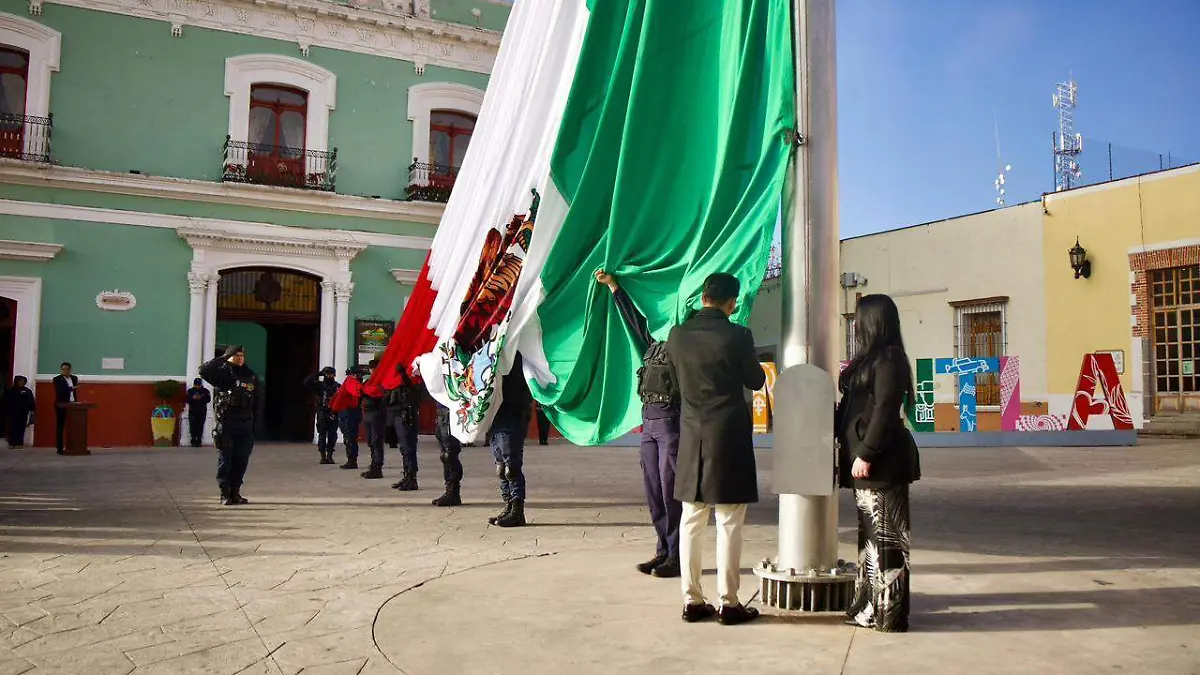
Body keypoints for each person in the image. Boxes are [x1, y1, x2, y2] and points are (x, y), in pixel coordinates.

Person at [666, 273, 765, 626]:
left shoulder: (677, 336)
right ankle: (729, 602)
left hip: (693, 436)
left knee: (692, 519)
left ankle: (692, 601)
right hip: (729, 438)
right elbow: (756, 380)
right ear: (731, 302)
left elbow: (676, 385)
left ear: (703, 296)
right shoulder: (738, 335)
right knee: (728, 521)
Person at [836, 294, 920, 633]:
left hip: (881, 463)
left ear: (873, 320)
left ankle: (888, 614)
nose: (855, 324)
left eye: (859, 318)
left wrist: (867, 453)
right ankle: (869, 606)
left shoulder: (889, 360)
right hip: (863, 462)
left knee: (886, 539)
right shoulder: (868, 360)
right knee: (871, 539)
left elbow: (885, 410)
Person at [596, 269, 682, 579]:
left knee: (671, 491)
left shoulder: (684, 346)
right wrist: (615, 288)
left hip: (672, 422)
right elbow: (634, 319)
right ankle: (662, 550)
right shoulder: (653, 344)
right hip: (650, 424)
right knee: (654, 490)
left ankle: (676, 555)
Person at [200, 345, 260, 506]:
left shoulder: (251, 376)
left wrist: (256, 424)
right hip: (227, 423)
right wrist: (223, 357)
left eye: (241, 355)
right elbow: (204, 370)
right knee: (226, 459)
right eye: (236, 355)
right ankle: (224, 493)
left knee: (241, 459)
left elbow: (257, 401)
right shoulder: (223, 374)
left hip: (245, 424)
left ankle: (236, 492)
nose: (239, 358)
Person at [487, 351, 533, 528]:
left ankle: (517, 510)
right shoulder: (494, 350)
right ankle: (508, 505)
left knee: (511, 466)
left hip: (513, 411)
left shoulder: (520, 353)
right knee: (500, 467)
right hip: (496, 414)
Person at [387, 366, 421, 491]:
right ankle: (407, 476)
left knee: (409, 449)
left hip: (408, 417)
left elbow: (412, 390)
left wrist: (404, 376)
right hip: (399, 416)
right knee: (404, 449)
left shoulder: (415, 381)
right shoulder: (399, 384)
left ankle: (412, 479)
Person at [430, 400, 465, 507]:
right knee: (445, 454)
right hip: (442, 410)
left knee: (450, 454)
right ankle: (449, 489)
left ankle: (453, 491)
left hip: (452, 410)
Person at [304, 366, 340, 464]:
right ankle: (323, 456)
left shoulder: (337, 386)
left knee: (332, 435)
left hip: (333, 412)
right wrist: (318, 374)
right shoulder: (319, 386)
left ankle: (330, 455)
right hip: (322, 412)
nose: (329, 376)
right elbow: (306, 382)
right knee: (322, 434)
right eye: (327, 374)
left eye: (331, 374)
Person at [331, 367, 364, 469]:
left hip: (350, 413)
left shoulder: (351, 382)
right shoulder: (352, 382)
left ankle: (352, 461)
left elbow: (341, 396)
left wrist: (334, 410)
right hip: (348, 412)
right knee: (349, 438)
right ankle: (351, 460)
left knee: (350, 438)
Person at [360, 360, 387, 480]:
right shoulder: (368, 381)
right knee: (371, 441)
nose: (372, 370)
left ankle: (377, 467)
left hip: (377, 414)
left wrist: (366, 393)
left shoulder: (382, 381)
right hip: (367, 414)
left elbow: (380, 395)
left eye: (374, 368)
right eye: (371, 368)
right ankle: (373, 465)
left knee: (376, 442)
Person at [52, 362, 78, 455]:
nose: (65, 371)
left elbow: (75, 391)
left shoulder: (74, 378)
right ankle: (59, 448)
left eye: (67, 369)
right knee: (60, 427)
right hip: (61, 405)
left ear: (70, 370)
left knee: (74, 427)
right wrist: (71, 388)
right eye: (63, 369)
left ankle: (74, 446)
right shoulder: (57, 379)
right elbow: (60, 391)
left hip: (72, 404)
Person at [2, 376, 35, 449]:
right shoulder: (10, 391)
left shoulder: (27, 391)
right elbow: (5, 402)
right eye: (20, 381)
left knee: (21, 428)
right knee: (12, 428)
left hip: (23, 413)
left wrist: (32, 410)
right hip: (12, 413)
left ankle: (19, 443)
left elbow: (31, 401)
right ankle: (12, 443)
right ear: (16, 381)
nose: (22, 382)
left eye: (23, 381)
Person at [184, 378, 211, 448]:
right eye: (196, 384)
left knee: (200, 426)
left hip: (202, 411)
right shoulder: (190, 391)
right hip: (192, 411)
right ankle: (193, 441)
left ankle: (199, 441)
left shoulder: (205, 391)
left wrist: (201, 398)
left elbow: (208, 399)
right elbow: (186, 400)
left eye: (198, 384)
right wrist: (193, 398)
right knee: (192, 426)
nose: (197, 386)